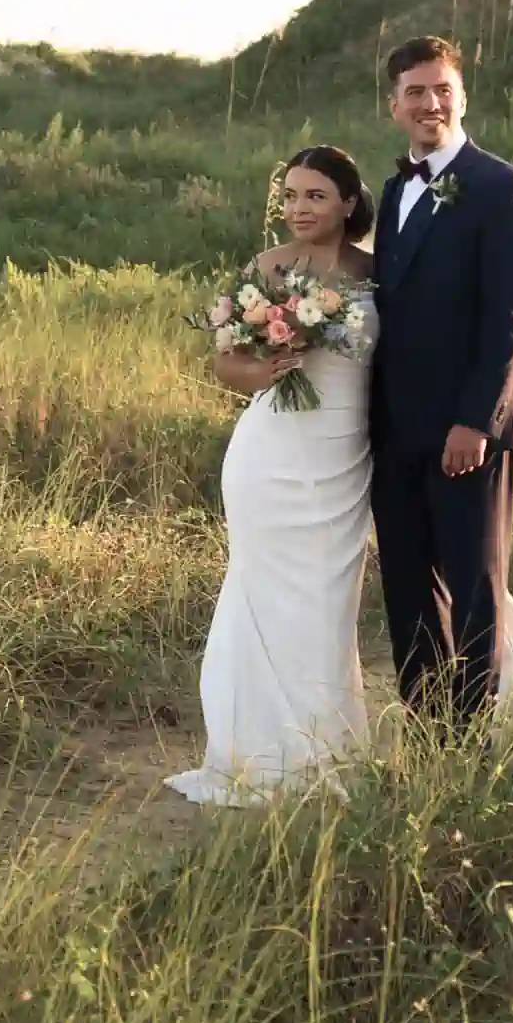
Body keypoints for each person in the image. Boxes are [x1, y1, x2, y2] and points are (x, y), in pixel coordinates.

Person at [165, 146, 381, 805]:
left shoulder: (382, 271)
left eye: (315, 195)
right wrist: (271, 364)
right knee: (259, 595)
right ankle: (257, 755)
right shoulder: (267, 269)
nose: (299, 207)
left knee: (326, 602)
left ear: (348, 201)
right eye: (290, 196)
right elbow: (225, 365)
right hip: (269, 455)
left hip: (345, 453)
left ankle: (326, 749)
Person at [368, 35, 513, 726]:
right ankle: (426, 730)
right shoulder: (392, 190)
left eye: (442, 89)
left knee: (473, 588)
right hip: (396, 426)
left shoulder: (502, 187)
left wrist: (476, 419)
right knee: (407, 589)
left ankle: (468, 746)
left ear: (462, 96)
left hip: (469, 427)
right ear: (394, 105)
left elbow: (511, 315)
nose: (430, 102)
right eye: (415, 91)